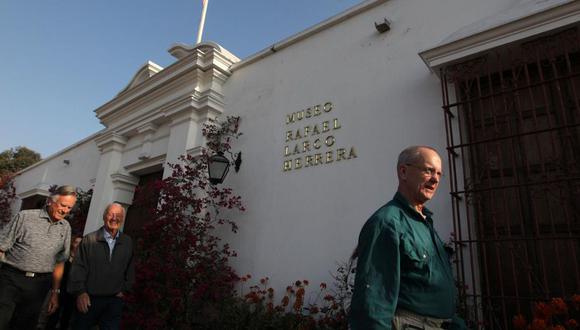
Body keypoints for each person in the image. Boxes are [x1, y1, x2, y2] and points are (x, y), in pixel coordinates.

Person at [350, 146, 466, 330]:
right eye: (428, 170)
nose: (435, 179)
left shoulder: (425, 222)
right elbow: (373, 303)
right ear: (403, 171)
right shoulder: (387, 223)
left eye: (439, 174)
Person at [0, 185, 77, 330]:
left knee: (25, 326)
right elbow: (1, 246)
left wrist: (55, 293)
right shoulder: (25, 217)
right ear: (50, 201)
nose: (65, 210)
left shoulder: (65, 227)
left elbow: (60, 262)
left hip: (39, 286)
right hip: (11, 280)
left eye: (69, 208)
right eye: (63, 205)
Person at [68, 203, 134, 330]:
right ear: (104, 217)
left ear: (123, 218)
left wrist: (125, 289)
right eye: (111, 214)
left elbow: (130, 268)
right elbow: (78, 268)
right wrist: (80, 292)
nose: (114, 218)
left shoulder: (127, 241)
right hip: (89, 299)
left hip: (114, 300)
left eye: (118, 215)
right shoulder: (89, 239)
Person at [45, 235, 83, 330]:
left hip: (71, 293)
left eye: (80, 243)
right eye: (76, 242)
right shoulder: (64, 257)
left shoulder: (81, 261)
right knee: (52, 315)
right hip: (58, 290)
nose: (78, 245)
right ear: (72, 244)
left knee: (66, 317)